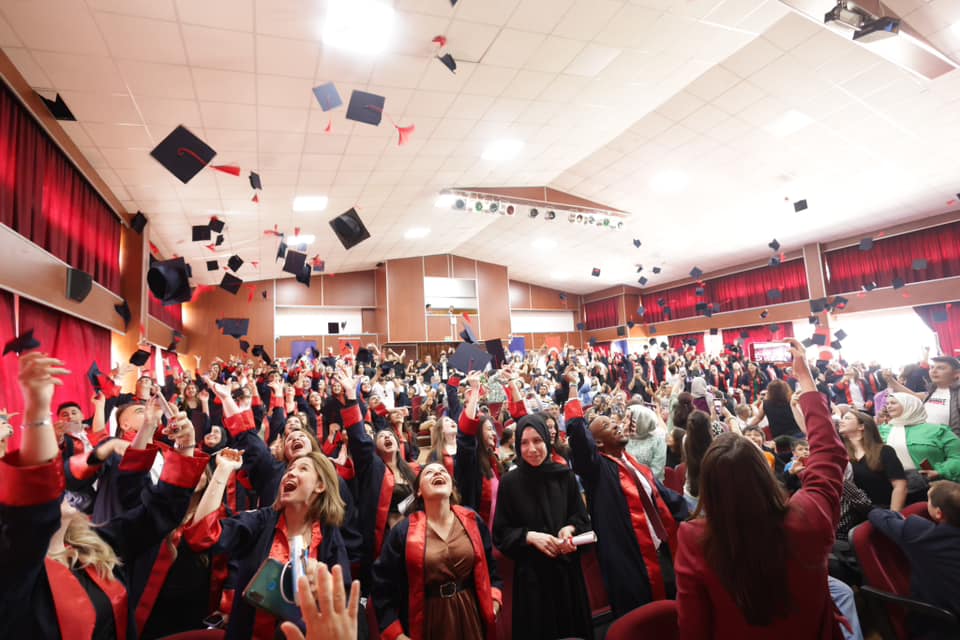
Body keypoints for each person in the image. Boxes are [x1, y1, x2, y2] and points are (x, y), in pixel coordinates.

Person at [1, 352, 208, 640]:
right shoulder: (16, 573)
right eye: (52, 494)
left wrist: (186, 445)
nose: (62, 493)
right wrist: (37, 410)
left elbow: (159, 512)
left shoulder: (96, 546)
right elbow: (38, 507)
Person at [675, 339, 849, 638]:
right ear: (765, 471)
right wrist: (805, 378)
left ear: (709, 486)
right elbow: (829, 453)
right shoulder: (808, 514)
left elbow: (694, 628)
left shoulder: (694, 538)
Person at [184, 445, 350, 640]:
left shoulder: (329, 534)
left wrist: (323, 589)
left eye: (302, 469)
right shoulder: (261, 522)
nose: (290, 474)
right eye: (289, 470)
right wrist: (223, 470)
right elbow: (201, 535)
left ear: (320, 486)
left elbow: (341, 600)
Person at [565, 370, 689, 619]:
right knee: (642, 621)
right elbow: (579, 437)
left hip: (661, 549)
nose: (618, 426)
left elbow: (662, 498)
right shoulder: (597, 469)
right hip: (628, 558)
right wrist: (573, 386)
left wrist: (692, 515)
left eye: (616, 423)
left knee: (673, 613)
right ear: (597, 443)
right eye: (610, 426)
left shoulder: (633, 464)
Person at [371, 463, 503, 640]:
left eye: (442, 471)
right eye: (429, 473)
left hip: (471, 613)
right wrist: (396, 634)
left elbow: (491, 568)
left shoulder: (472, 520)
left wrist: (493, 603)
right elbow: (382, 585)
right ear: (418, 491)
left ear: (451, 487)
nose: (437, 473)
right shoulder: (403, 532)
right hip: (428, 620)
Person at [492, 411, 592, 640]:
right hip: (532, 580)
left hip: (567, 575)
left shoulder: (564, 475)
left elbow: (581, 518)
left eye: (537, 441)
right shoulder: (509, 482)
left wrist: (571, 530)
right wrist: (529, 537)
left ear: (548, 440)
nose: (532, 449)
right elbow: (501, 533)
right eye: (524, 443)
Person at [868, 481, 960, 640]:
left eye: (928, 500)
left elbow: (875, 515)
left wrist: (898, 516)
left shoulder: (921, 533)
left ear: (938, 513)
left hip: (941, 626)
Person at [879, 392, 960, 484]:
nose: (888, 406)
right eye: (887, 404)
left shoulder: (938, 430)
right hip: (892, 487)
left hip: (933, 487)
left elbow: (957, 456)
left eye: (893, 403)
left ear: (909, 405)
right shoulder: (883, 430)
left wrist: (940, 472)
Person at [839, 410, 907, 510]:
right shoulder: (841, 455)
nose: (841, 421)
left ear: (861, 426)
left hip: (884, 511)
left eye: (847, 418)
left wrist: (893, 517)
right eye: (842, 418)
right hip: (855, 514)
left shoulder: (884, 451)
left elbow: (900, 486)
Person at [884, 356, 960, 437]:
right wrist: (890, 380)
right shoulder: (930, 393)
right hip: (931, 443)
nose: (934, 371)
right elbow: (913, 395)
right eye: (932, 367)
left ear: (956, 374)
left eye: (941, 368)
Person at [624, 403, 667, 481]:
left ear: (639, 420)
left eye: (628, 417)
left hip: (651, 484)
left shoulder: (658, 439)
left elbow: (657, 470)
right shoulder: (625, 435)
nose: (624, 421)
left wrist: (638, 482)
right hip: (627, 481)